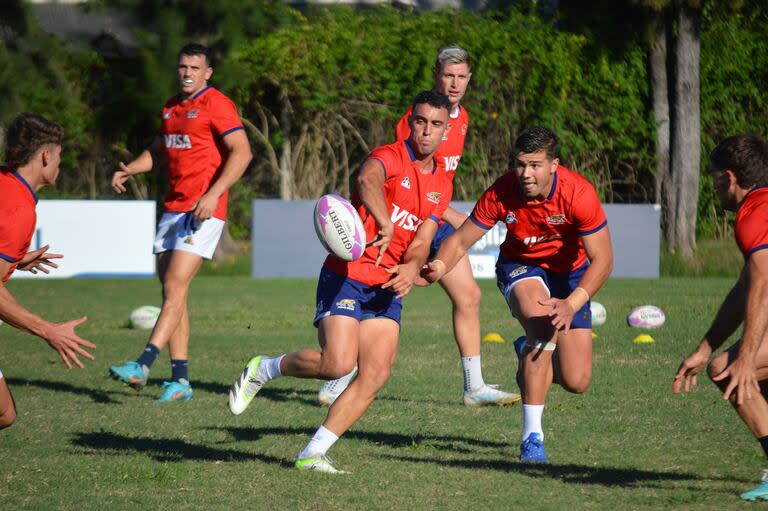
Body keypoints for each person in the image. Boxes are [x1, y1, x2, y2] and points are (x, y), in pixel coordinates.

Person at [228, 90, 454, 473]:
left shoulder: (442, 183)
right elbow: (367, 180)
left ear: (446, 131)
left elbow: (422, 240)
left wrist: (413, 267)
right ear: (409, 120)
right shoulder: (389, 156)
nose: (426, 131)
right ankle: (265, 368)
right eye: (420, 121)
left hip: (386, 287)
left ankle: (312, 453)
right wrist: (383, 221)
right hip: (347, 276)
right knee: (337, 364)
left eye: (436, 125)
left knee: (377, 372)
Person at [317, 44, 519, 407]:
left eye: (461, 77)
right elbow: (400, 179)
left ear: (469, 80)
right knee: (374, 284)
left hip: (432, 215)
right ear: (436, 77)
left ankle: (474, 387)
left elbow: (439, 184)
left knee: (469, 295)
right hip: (406, 216)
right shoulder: (418, 119)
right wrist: (453, 220)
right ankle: (340, 373)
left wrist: (452, 218)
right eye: (448, 76)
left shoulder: (464, 119)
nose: (454, 83)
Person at [423, 126, 613, 463]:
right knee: (541, 326)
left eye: (536, 165)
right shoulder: (502, 191)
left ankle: (527, 354)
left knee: (577, 380)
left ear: (554, 164)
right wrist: (438, 265)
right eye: (521, 164)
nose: (526, 173)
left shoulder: (578, 193)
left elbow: (603, 260)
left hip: (571, 277)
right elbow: (462, 238)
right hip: (521, 267)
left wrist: (573, 302)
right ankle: (532, 438)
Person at [108, 43, 252, 402]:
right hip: (173, 210)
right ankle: (181, 381)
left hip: (202, 210)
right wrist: (131, 169)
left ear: (207, 73)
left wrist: (213, 194)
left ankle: (143, 364)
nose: (187, 72)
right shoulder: (171, 107)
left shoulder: (216, 103)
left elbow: (243, 151)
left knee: (174, 284)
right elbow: (159, 150)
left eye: (194, 67)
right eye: (182, 66)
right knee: (174, 294)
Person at [673, 134, 768, 502]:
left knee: (730, 371)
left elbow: (762, 285)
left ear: (729, 178)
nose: (715, 191)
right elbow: (744, 290)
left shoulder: (752, 214)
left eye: (714, 182)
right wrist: (705, 346)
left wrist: (745, 358)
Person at [0, 112, 97, 430]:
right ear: (45, 156)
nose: (60, 164)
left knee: (5, 413)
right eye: (59, 156)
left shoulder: (6, 184)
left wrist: (14, 260)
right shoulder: (19, 211)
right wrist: (47, 330)